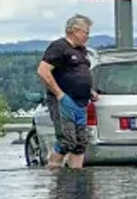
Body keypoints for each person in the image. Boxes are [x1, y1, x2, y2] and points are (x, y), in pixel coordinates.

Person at [37, 14, 97, 168]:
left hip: (81, 102)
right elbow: (43, 71)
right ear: (74, 30)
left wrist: (89, 90)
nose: (87, 37)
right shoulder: (59, 47)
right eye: (86, 33)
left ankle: (77, 181)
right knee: (66, 141)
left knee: (80, 144)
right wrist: (59, 94)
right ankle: (55, 172)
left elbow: (79, 74)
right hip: (63, 101)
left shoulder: (82, 51)